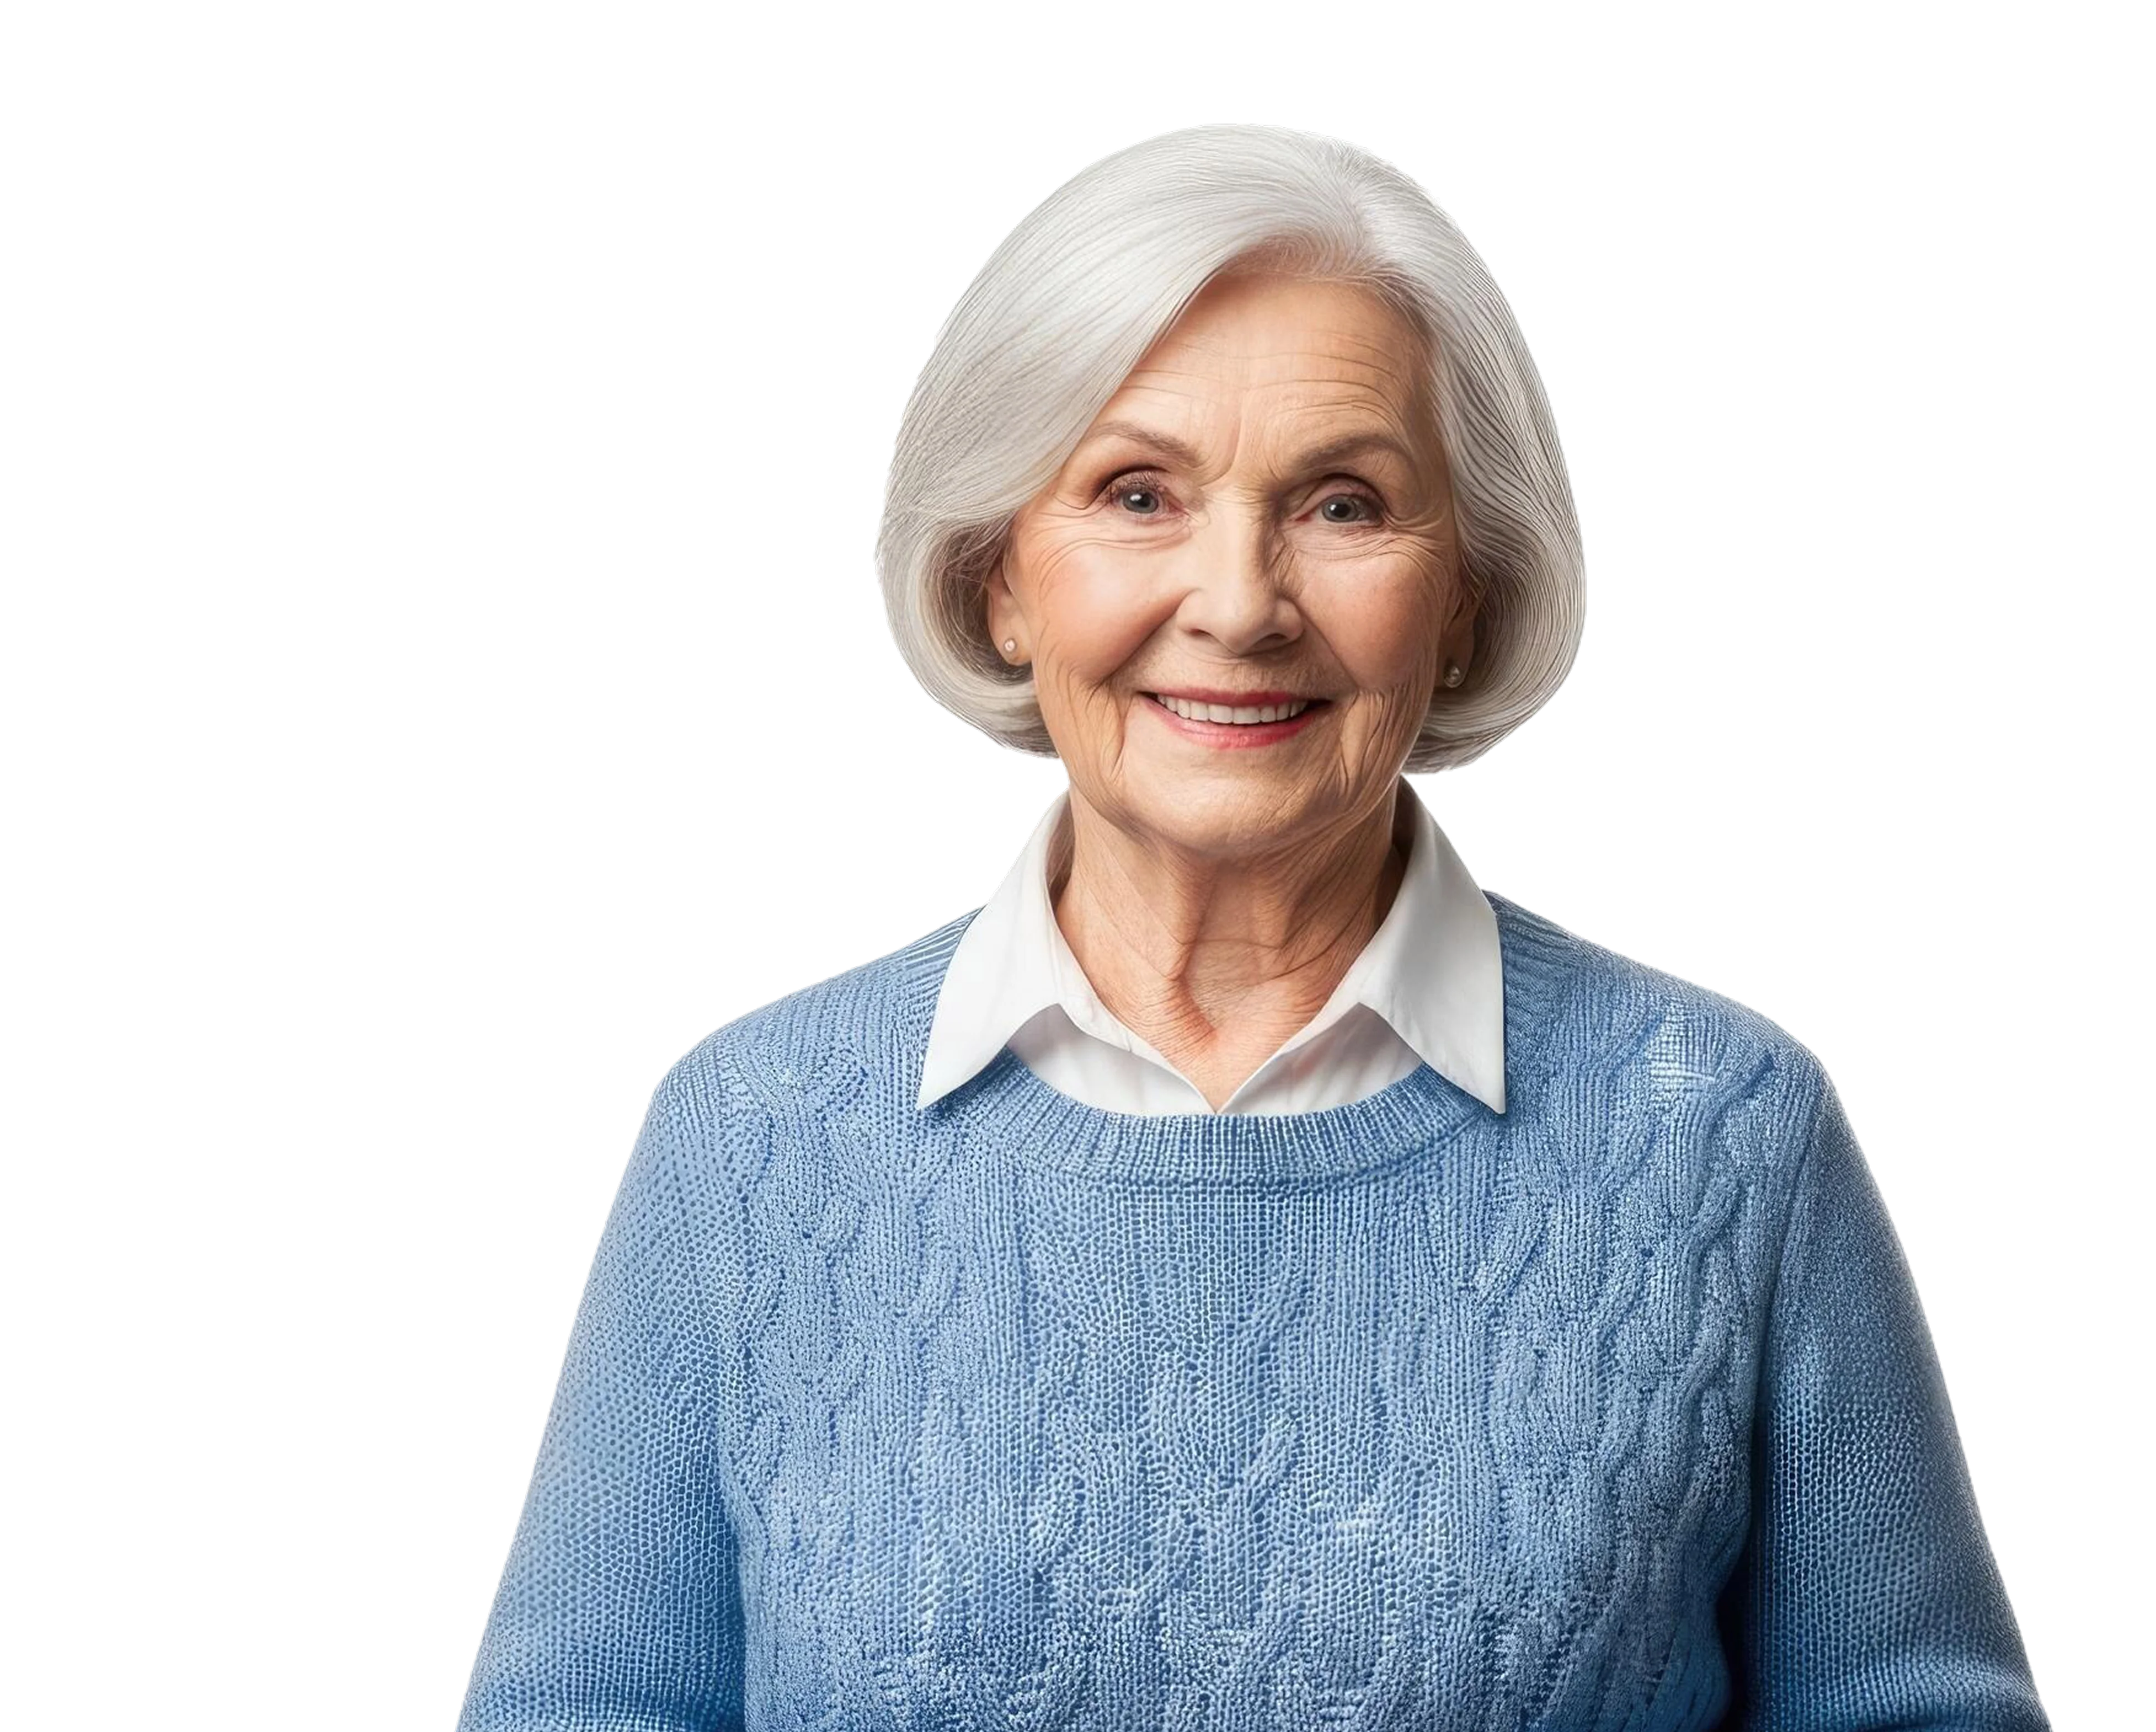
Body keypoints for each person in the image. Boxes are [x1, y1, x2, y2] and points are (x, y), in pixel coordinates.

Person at [455, 125, 2050, 1730]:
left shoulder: (1721, 1126)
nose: (1237, 602)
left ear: (1469, 594)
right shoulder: (745, 1132)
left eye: (1342, 503)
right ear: (999, 574)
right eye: (1134, 491)